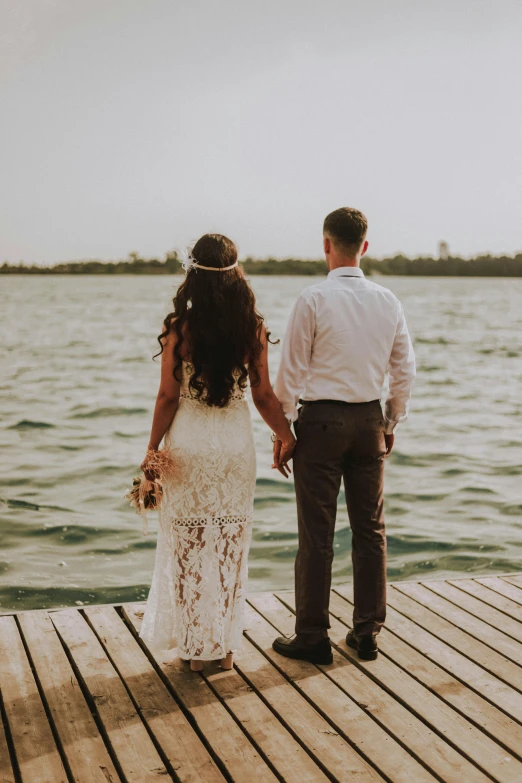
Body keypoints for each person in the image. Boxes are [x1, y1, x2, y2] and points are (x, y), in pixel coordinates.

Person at [139, 233, 295, 671]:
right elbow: (264, 396)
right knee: (228, 544)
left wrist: (151, 451)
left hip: (188, 445)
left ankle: (194, 651)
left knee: (188, 547)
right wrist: (287, 437)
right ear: (235, 274)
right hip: (233, 446)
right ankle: (223, 650)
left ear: (193, 274)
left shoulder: (178, 330)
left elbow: (167, 398)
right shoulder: (252, 328)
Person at [272, 208, 416, 663]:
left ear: (326, 245)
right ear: (365, 247)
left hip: (320, 423)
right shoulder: (388, 300)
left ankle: (313, 636)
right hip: (369, 421)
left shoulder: (312, 298)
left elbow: (289, 373)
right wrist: (391, 421)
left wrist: (283, 429)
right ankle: (367, 632)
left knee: (316, 536)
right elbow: (404, 370)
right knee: (370, 531)